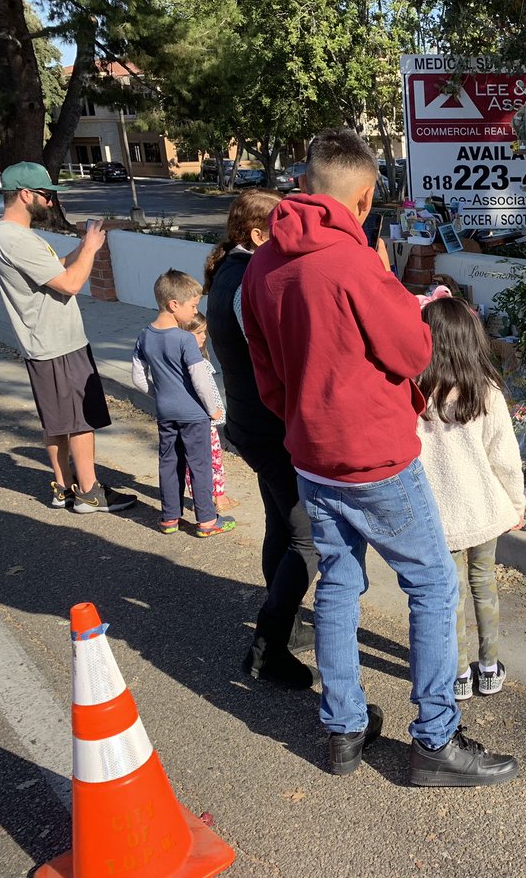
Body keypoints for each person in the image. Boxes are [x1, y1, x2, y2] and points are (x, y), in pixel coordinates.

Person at [241, 127, 517, 785]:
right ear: (364, 197)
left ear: (306, 187)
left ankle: (343, 730)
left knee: (338, 583)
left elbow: (267, 375)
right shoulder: (355, 261)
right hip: (377, 460)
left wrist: (309, 425)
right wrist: (384, 273)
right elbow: (415, 353)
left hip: (311, 455)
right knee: (432, 582)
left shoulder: (260, 266)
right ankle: (435, 741)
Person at [203, 189, 318, 690]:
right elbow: (274, 359)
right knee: (309, 539)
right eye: (281, 227)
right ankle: (268, 647)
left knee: (280, 523)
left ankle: (285, 619)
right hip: (269, 427)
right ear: (257, 235)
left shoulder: (228, 270)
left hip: (252, 424)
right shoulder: (249, 278)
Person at [0, 162, 137, 513]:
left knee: (56, 421)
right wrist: (90, 249)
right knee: (80, 420)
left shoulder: (10, 235)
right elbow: (71, 284)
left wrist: (84, 247)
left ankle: (63, 488)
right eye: (46, 195)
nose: (51, 202)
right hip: (56, 343)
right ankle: (89, 493)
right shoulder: (13, 238)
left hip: (45, 343)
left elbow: (56, 270)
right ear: (25, 194)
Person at [415, 295, 524, 702]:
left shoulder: (415, 391)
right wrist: (516, 502)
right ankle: (490, 668)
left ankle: (458, 674)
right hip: (483, 505)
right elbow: (505, 455)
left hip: (437, 511)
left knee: (450, 593)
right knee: (484, 583)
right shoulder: (487, 390)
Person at [131, 270, 236, 538]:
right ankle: (206, 520)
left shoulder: (145, 335)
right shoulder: (185, 339)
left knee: (169, 461)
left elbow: (137, 378)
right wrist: (213, 407)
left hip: (166, 413)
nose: (194, 312)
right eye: (193, 306)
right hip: (194, 414)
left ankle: (169, 517)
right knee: (199, 464)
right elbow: (199, 378)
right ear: (173, 305)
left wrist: (160, 395)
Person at [182, 311, 238, 514]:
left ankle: (199, 497)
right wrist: (215, 412)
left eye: (204, 332)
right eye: (198, 333)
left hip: (189, 420)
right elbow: (207, 392)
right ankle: (219, 497)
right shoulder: (199, 364)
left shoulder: (179, 361)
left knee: (194, 461)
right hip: (206, 420)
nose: (204, 337)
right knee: (213, 459)